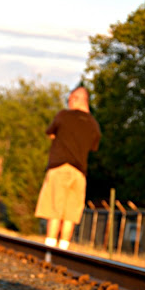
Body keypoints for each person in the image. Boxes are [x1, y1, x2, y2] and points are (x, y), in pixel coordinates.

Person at [34, 86, 101, 250]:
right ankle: (64, 249)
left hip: (60, 167)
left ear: (76, 99)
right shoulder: (94, 124)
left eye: (69, 99)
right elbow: (93, 146)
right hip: (79, 173)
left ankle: (50, 249)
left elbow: (50, 133)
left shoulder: (63, 115)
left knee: (54, 210)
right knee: (70, 214)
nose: (68, 103)